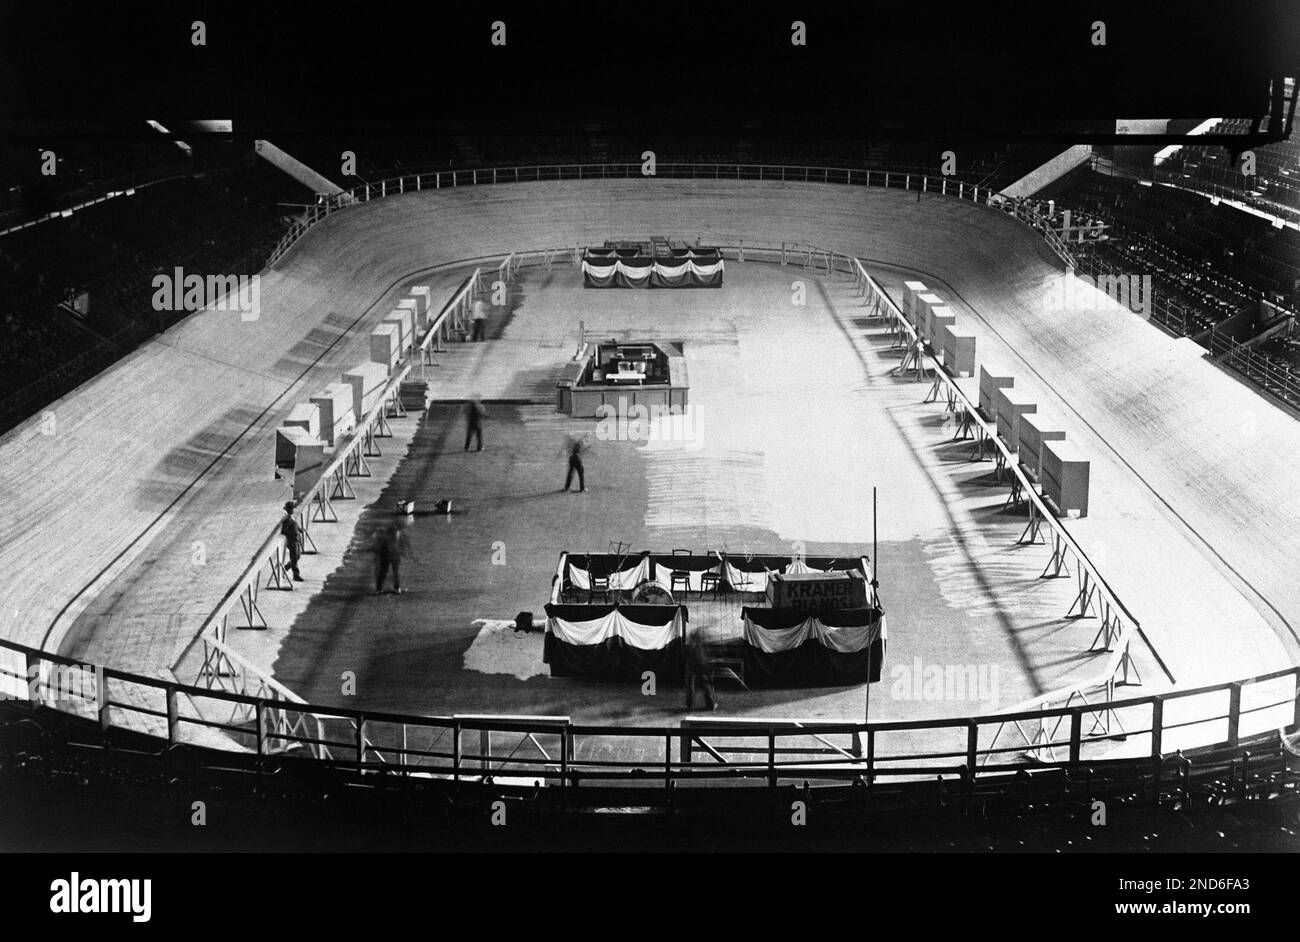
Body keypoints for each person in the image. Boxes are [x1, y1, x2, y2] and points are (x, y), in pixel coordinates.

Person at [373, 510, 413, 595]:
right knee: (395, 571)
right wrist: (404, 552)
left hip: (386, 553)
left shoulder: (390, 530)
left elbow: (383, 542)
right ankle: (397, 588)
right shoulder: (397, 532)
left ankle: (379, 589)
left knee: (383, 571)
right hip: (393, 554)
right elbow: (400, 543)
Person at [685, 630, 717, 711]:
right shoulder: (699, 646)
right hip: (700, 665)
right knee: (705, 685)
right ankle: (711, 705)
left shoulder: (693, 646)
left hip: (694, 666)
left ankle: (690, 706)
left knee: (692, 686)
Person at [279, 501, 304, 581]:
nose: (293, 510)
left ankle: (285, 568)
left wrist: (299, 530)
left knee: (297, 556)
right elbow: (283, 531)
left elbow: (295, 525)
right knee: (294, 558)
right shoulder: (287, 520)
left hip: (296, 540)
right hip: (292, 541)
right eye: (292, 509)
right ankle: (296, 575)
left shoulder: (292, 518)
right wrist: (293, 533)